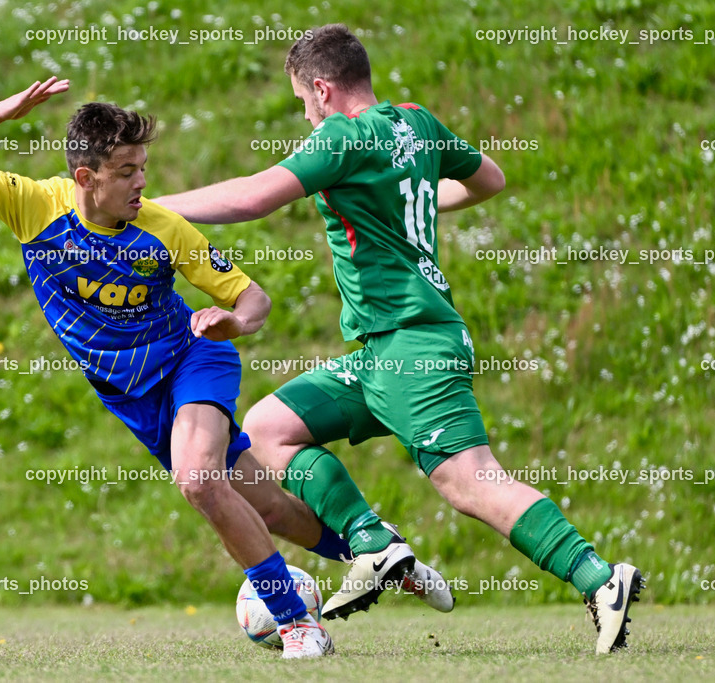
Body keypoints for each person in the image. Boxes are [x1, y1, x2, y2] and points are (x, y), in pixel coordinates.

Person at [155, 24, 644, 654]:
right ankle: (374, 543)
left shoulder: (342, 136)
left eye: (303, 102)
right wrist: (405, 201)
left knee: (470, 482)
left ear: (323, 89)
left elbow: (253, 199)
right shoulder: (415, 122)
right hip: (379, 354)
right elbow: (489, 179)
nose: (305, 116)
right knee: (269, 428)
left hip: (412, 345)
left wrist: (152, 208)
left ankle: (600, 579)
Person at [0, 77, 343, 658]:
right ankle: (368, 554)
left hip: (194, 358)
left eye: (143, 166)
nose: (142, 181)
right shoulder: (35, 205)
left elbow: (254, 300)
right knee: (264, 504)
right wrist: (3, 112)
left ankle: (298, 625)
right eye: (125, 171)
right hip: (132, 396)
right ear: (86, 178)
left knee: (198, 481)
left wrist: (233, 324)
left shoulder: (162, 227)